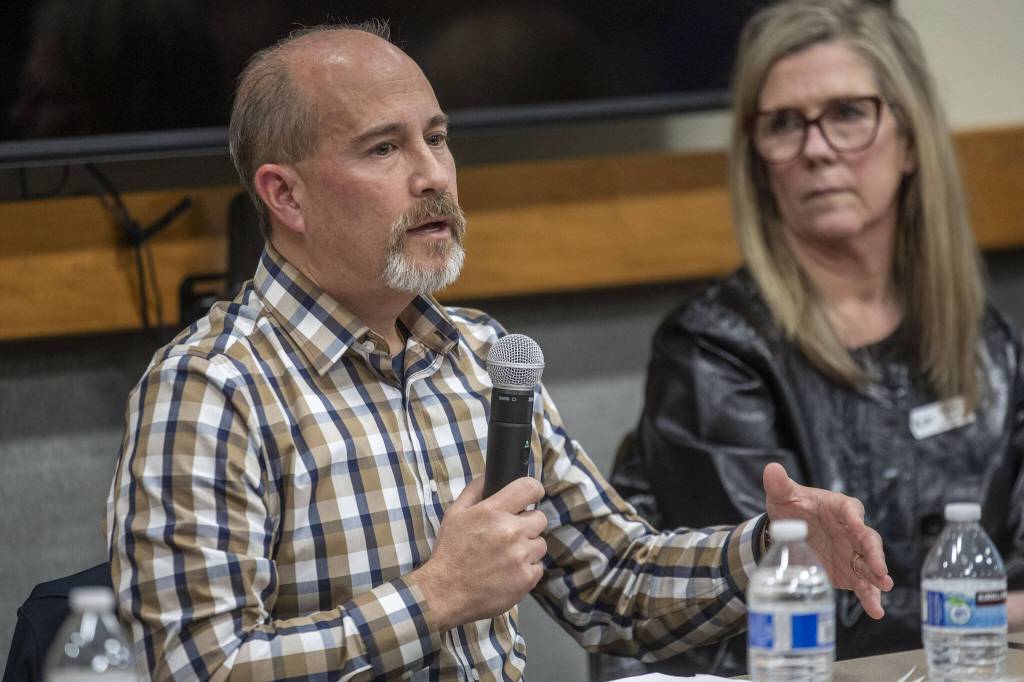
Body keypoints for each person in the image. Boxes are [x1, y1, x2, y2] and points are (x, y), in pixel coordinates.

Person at [105, 20, 893, 680]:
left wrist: (769, 549)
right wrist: (432, 599)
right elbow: (196, 668)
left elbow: (611, 584)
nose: (433, 177)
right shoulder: (212, 389)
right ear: (285, 195)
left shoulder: (481, 357)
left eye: (438, 138)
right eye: (383, 149)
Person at [608, 0, 1024, 677]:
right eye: (783, 124)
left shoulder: (989, 345)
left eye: (848, 113)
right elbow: (784, 601)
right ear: (759, 160)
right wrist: (997, 610)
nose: (817, 148)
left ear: (911, 137)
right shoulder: (712, 349)